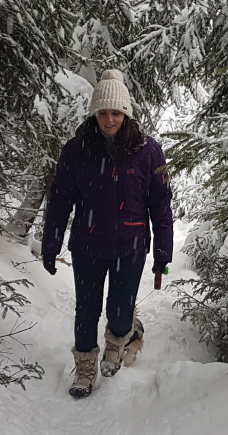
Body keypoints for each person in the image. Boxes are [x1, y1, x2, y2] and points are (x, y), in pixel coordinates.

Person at [41, 69, 173, 398]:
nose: (109, 120)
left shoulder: (149, 151)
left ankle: (116, 345)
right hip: (88, 244)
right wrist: (51, 242)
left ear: (125, 113)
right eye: (103, 112)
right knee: (86, 310)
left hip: (131, 247)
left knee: (119, 311)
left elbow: (160, 203)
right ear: (95, 113)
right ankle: (85, 368)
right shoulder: (76, 150)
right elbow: (59, 199)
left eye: (116, 113)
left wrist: (162, 253)